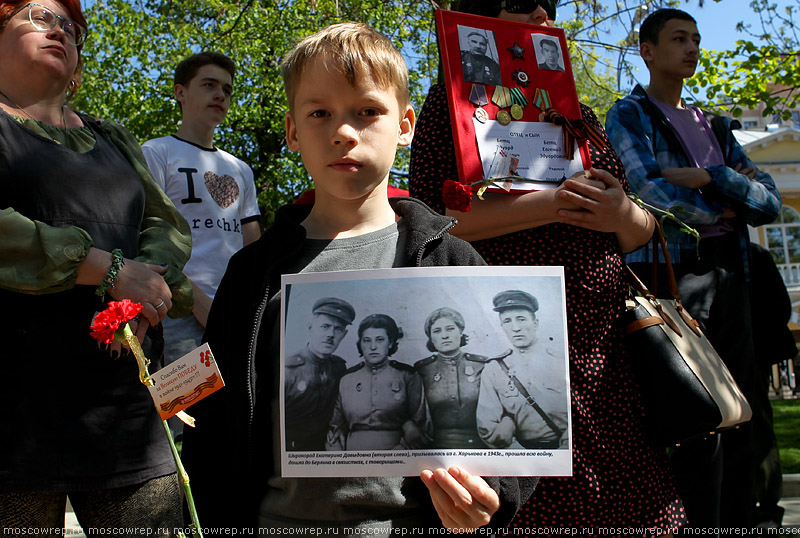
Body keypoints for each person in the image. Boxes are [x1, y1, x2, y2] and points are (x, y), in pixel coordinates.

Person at [181, 22, 536, 534]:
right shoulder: (253, 271)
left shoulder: (453, 263)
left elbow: (513, 410)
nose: (344, 132)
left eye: (368, 111)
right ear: (293, 131)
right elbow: (213, 413)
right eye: (319, 112)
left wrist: (492, 497)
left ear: (406, 124)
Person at [409, 0, 685, 529]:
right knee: (543, 498)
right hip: (513, 344)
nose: (539, 10)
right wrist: (556, 201)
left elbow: (642, 229)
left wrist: (623, 213)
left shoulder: (568, 104)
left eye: (550, 1)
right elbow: (434, 221)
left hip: (605, 353)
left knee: (634, 506)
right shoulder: (453, 99)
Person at [0, 0, 192, 532]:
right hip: (17, 422)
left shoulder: (112, 137)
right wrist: (105, 268)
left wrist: (145, 286)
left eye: (70, 27)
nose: (60, 31)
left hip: (125, 420)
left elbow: (167, 225)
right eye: (39, 16)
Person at [605, 8, 781, 527]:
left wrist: (710, 176)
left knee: (743, 402)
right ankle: (694, 519)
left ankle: (745, 518)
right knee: (696, 407)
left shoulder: (719, 128)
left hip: (735, 271)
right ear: (648, 50)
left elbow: (768, 203)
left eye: (696, 39)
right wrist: (724, 208)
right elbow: (649, 194)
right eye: (679, 38)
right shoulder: (629, 115)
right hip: (676, 272)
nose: (691, 48)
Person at [142, 52, 261, 361]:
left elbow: (253, 247)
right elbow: (148, 239)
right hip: (177, 313)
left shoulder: (240, 169)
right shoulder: (156, 153)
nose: (220, 94)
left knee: (236, 407)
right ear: (180, 92)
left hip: (236, 312)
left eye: (227, 89)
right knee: (185, 407)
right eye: (209, 85)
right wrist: (197, 303)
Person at [477, 290, 568, 449]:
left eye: (521, 319)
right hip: (519, 456)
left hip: (565, 453)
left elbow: (581, 413)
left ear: (535, 323)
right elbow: (488, 426)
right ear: (501, 326)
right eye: (507, 321)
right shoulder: (494, 369)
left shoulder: (561, 361)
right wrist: (521, 457)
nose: (515, 328)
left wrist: (564, 453)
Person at [327, 314, 432, 451]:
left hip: (397, 455)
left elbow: (422, 426)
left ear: (390, 343)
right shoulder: (347, 379)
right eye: (366, 340)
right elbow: (335, 429)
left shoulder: (407, 375)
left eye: (380, 340)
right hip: (354, 457)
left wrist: (397, 454)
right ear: (360, 344)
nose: (373, 347)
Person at [285, 297, 355, 451]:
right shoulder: (288, 369)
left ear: (344, 334)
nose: (331, 334)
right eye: (325, 326)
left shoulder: (339, 368)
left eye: (338, 329)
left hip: (325, 449)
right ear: (310, 327)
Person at [414, 307, 489, 448]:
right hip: (436, 446)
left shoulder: (481, 365)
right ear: (431, 337)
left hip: (482, 444)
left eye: (450, 329)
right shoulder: (422, 370)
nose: (444, 336)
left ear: (460, 332)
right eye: (437, 331)